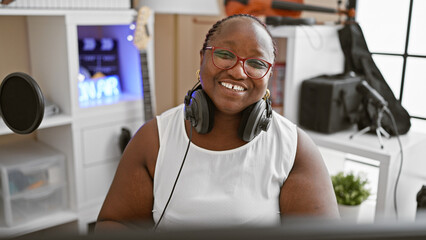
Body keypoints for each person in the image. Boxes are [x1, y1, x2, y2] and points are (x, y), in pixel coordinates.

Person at [95, 14, 339, 232]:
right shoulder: (154, 139)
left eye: (256, 63)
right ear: (202, 58)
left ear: (269, 76)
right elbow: (114, 224)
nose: (238, 72)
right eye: (224, 55)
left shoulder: (294, 149)